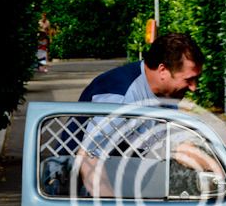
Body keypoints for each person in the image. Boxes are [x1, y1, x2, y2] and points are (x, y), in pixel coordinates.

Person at [77, 33, 218, 197]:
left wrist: (220, 170)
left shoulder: (166, 94)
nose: (194, 88)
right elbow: (88, 157)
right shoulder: (121, 95)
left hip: (123, 175)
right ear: (163, 70)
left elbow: (177, 148)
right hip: (74, 183)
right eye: (189, 79)